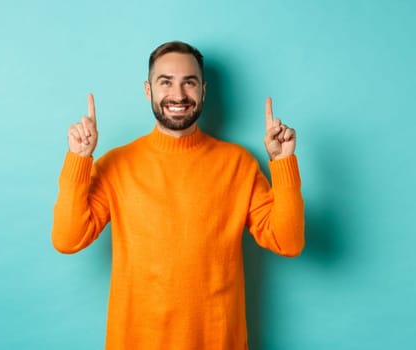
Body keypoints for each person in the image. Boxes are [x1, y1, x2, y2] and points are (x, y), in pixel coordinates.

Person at [51, 41, 304, 349]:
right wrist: (79, 158)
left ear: (203, 90)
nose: (178, 95)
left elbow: (288, 241)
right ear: (148, 90)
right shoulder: (117, 164)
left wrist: (282, 162)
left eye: (189, 82)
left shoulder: (238, 163)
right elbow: (67, 238)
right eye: (165, 82)